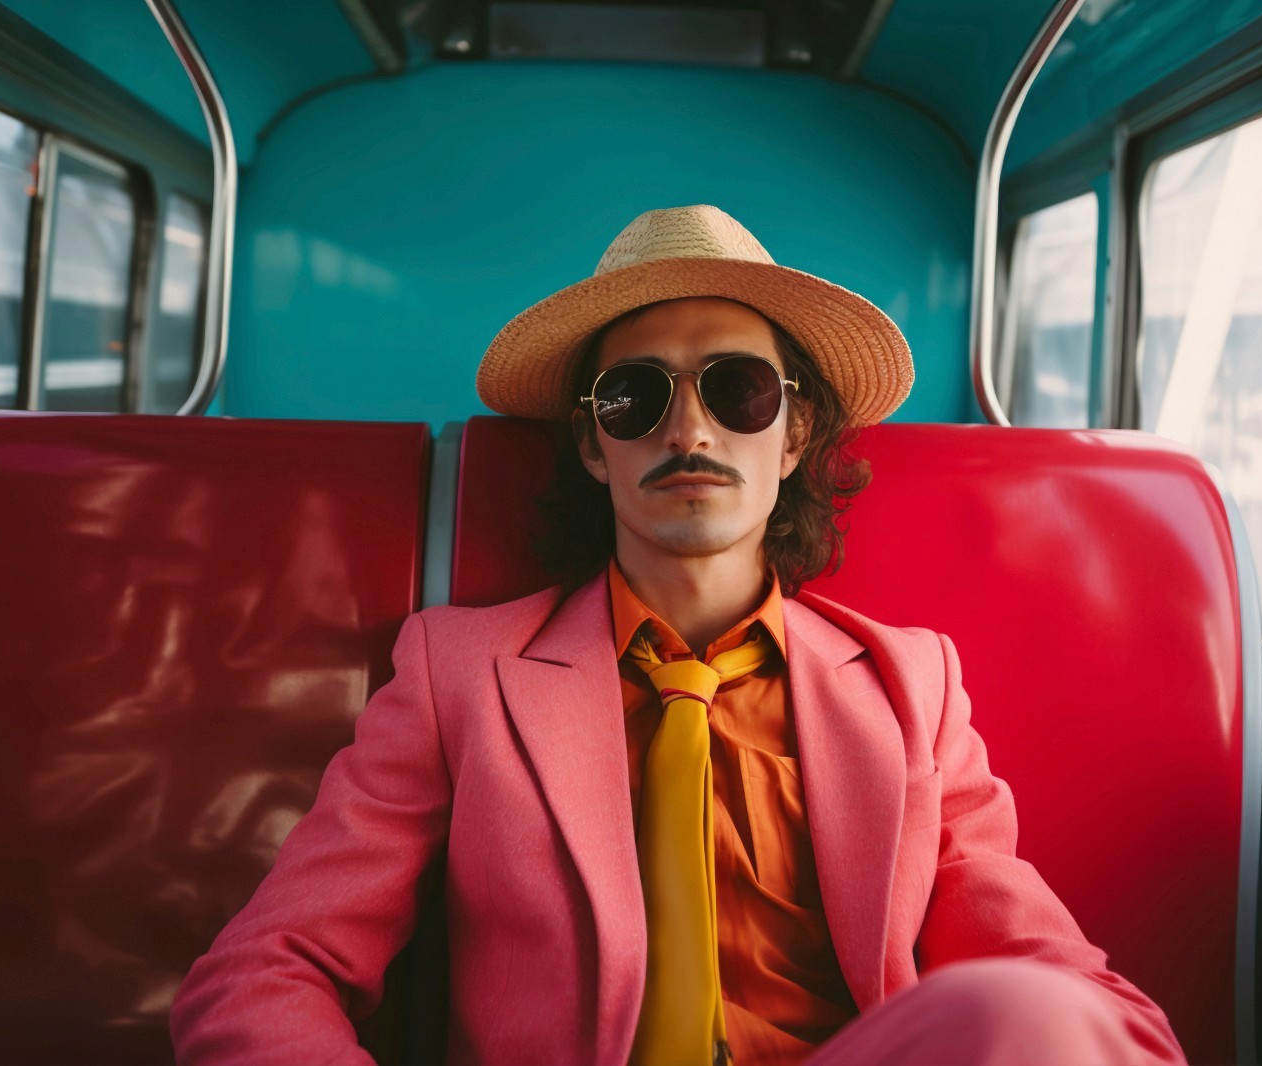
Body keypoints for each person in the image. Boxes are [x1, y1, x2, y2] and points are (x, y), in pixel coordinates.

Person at [171, 205, 1185, 1065]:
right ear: (592, 446)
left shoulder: (910, 687)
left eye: (737, 390)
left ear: (792, 434)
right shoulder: (459, 674)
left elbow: (1058, 984)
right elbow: (263, 970)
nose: (687, 431)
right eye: (636, 395)